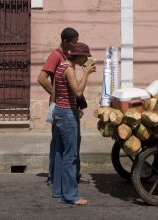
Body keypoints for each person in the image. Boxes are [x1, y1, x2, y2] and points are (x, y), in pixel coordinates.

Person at [38, 27, 90, 185]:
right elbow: (42, 78)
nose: (76, 45)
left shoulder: (68, 57)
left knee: (74, 141)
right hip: (62, 108)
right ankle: (53, 176)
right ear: (65, 41)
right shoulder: (55, 56)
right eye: (74, 42)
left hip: (70, 106)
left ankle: (74, 175)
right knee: (58, 143)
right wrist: (56, 95)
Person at [52, 42, 96, 205]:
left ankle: (58, 190)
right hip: (66, 114)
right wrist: (86, 74)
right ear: (78, 56)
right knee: (70, 154)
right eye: (85, 57)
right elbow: (78, 91)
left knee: (59, 153)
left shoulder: (62, 65)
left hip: (59, 111)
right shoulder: (69, 69)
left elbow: (58, 91)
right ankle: (71, 195)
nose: (86, 60)